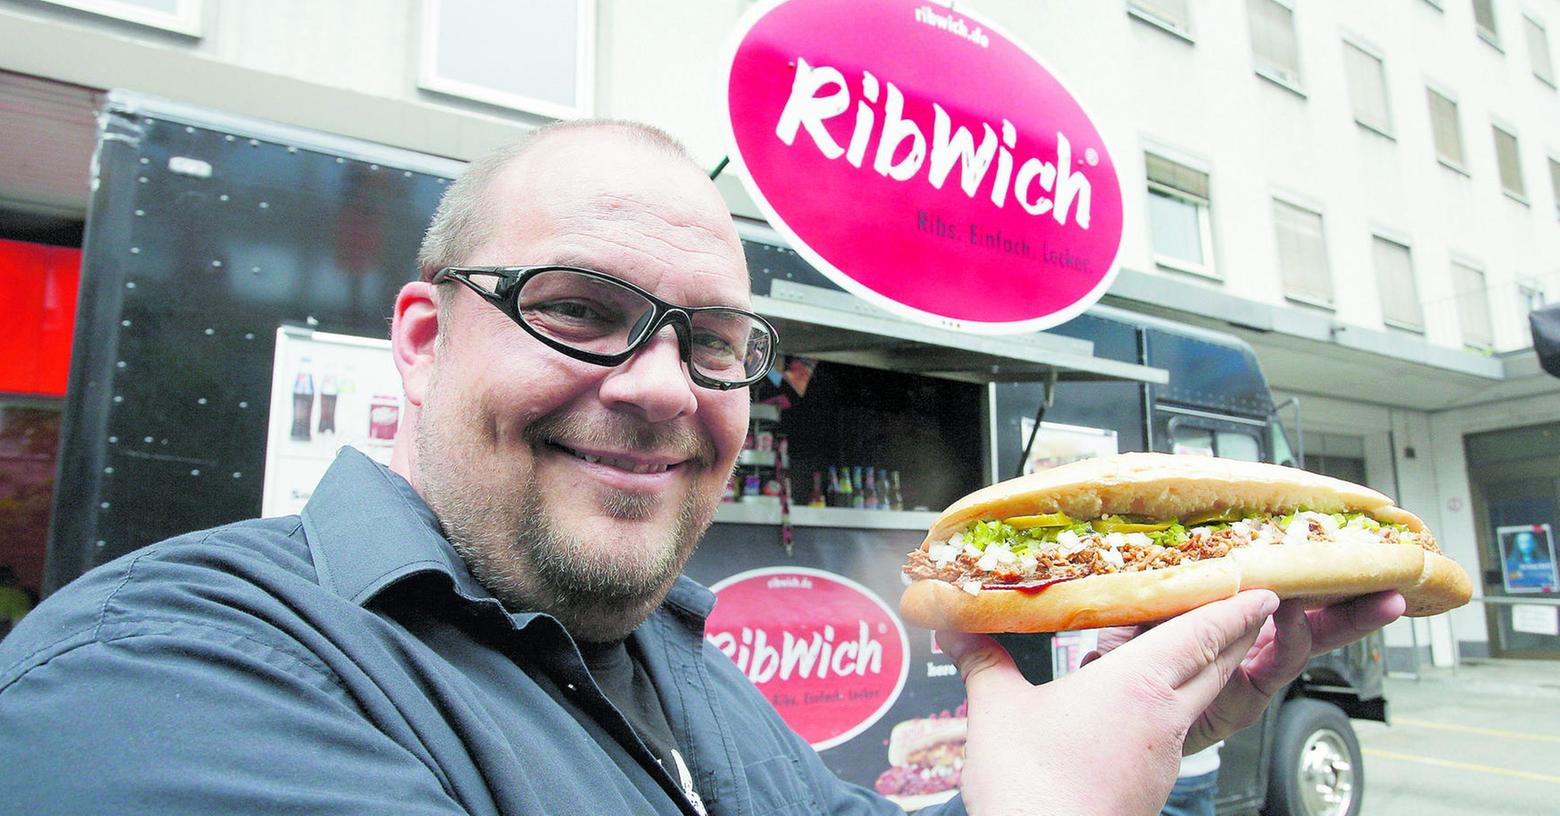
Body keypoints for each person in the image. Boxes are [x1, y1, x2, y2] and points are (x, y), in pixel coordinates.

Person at [0, 120, 1404, 815]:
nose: (663, 387)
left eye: (716, 341)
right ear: (423, 342)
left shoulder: (679, 668)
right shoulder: (167, 675)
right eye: (583, 310)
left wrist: (1124, 740)